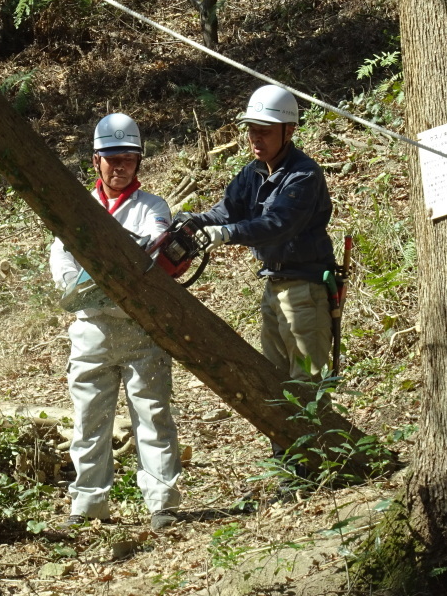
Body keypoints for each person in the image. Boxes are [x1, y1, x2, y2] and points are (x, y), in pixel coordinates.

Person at [186, 84, 335, 465]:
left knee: (306, 381)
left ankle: (318, 466)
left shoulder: (303, 176)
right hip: (274, 285)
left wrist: (227, 234)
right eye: (251, 129)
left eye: (265, 130)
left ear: (289, 131)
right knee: (276, 382)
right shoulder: (252, 173)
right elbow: (225, 212)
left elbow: (277, 224)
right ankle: (288, 464)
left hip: (305, 290)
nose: (256, 138)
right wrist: (193, 223)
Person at [49, 113, 182, 531]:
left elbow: (155, 251)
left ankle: (162, 501)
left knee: (153, 414)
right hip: (90, 325)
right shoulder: (78, 208)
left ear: (138, 161)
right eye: (112, 159)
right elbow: (62, 257)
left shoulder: (152, 208)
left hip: (141, 326)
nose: (120, 166)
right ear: (96, 162)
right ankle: (87, 501)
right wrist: (79, 285)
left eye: (128, 159)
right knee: (89, 418)